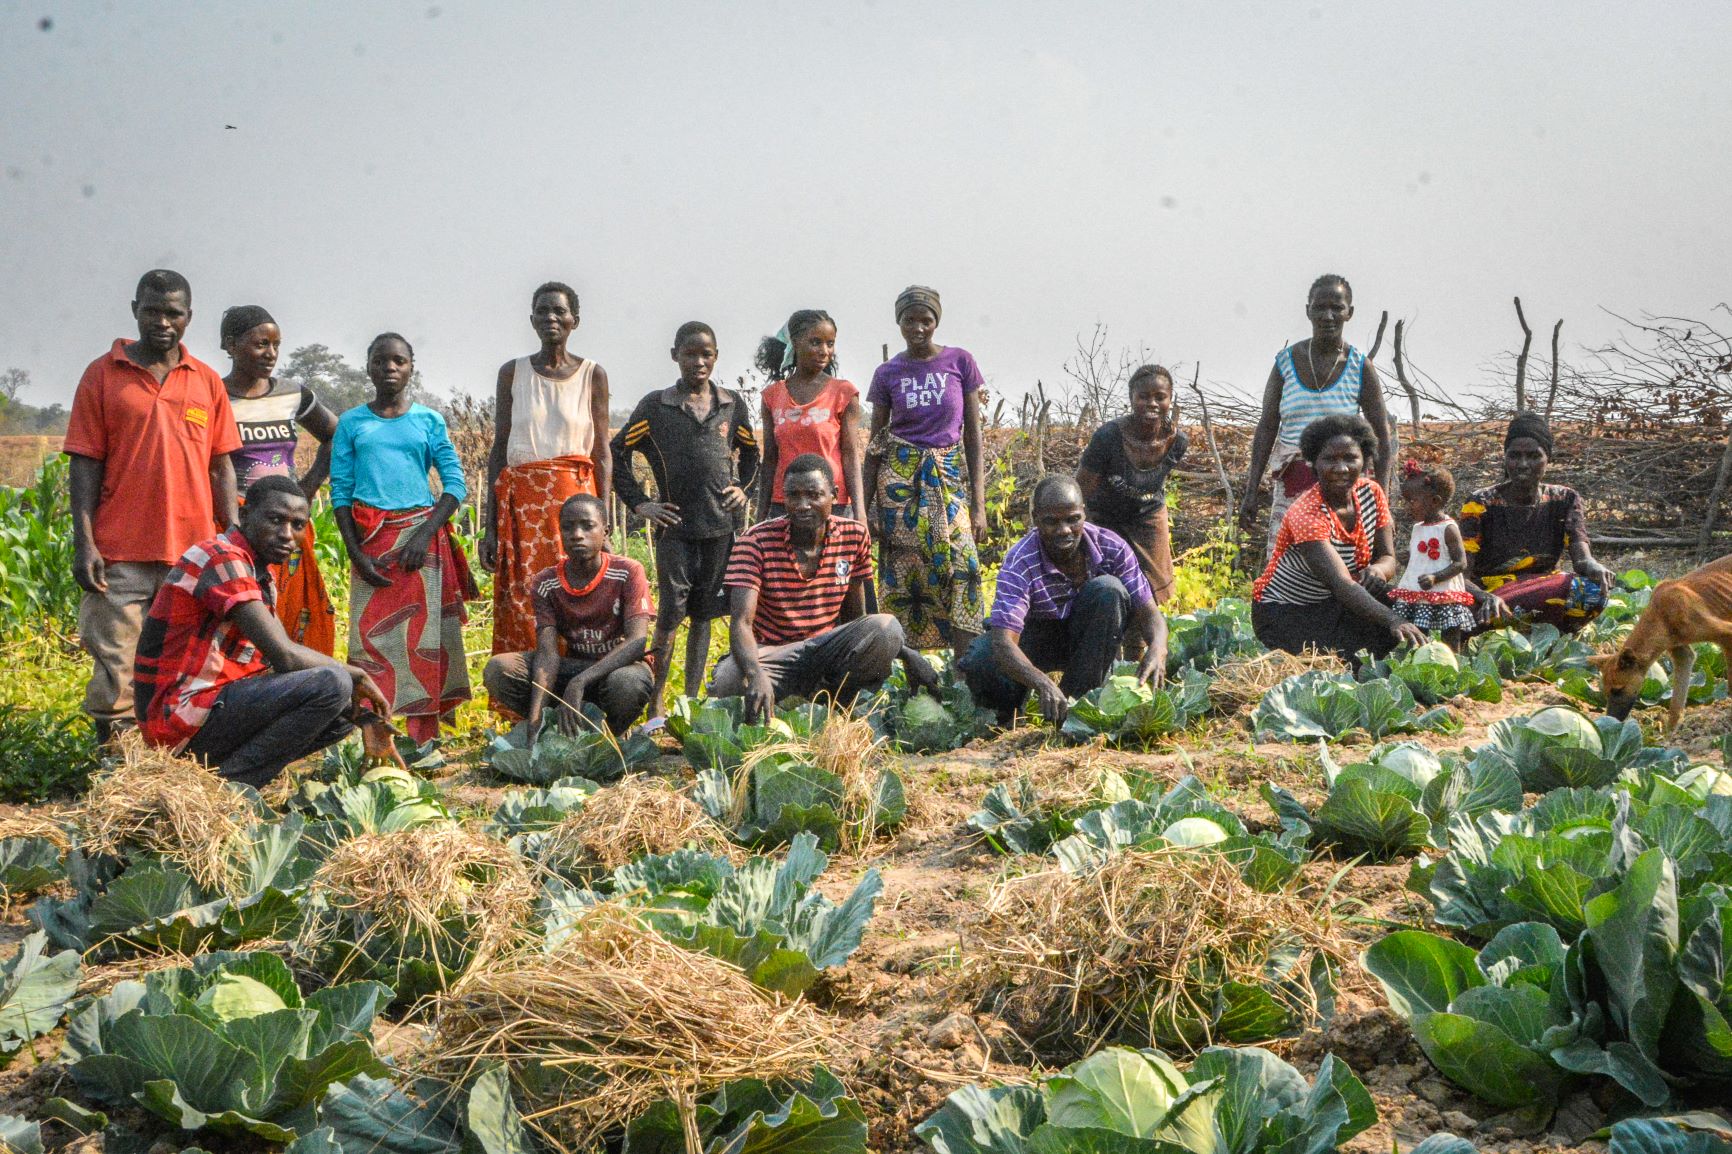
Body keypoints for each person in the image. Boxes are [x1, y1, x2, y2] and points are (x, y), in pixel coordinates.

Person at [65, 269, 241, 742]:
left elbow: (221, 467)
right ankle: (118, 760)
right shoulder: (102, 375)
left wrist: (233, 538)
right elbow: (84, 464)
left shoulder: (206, 381)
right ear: (134, 310)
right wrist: (85, 542)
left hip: (193, 553)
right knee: (116, 663)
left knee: (186, 661)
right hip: (119, 550)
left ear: (189, 317)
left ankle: (174, 753)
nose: (162, 321)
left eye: (173, 313)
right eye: (151, 311)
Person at [133, 476, 393, 789]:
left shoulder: (259, 574)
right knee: (335, 683)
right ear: (245, 515)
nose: (287, 535)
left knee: (344, 710)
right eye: (275, 520)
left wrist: (365, 719)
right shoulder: (221, 557)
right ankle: (231, 788)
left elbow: (273, 664)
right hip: (178, 718)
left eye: (298, 525)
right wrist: (357, 675)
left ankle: (224, 778)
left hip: (208, 711)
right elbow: (285, 655)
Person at [330, 333, 477, 742]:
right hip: (371, 542)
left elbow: (455, 484)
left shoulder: (428, 421)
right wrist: (355, 555)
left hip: (420, 545)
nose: (390, 368)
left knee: (422, 641)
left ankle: (422, 741)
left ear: (411, 367)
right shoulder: (352, 423)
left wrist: (424, 534)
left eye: (399, 361)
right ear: (368, 367)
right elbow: (341, 492)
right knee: (371, 642)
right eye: (381, 361)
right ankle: (376, 738)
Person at [611, 321, 759, 717]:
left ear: (716, 357)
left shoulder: (730, 404)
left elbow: (751, 453)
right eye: (690, 354)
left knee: (704, 616)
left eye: (706, 354)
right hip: (675, 531)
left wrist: (743, 488)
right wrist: (641, 504)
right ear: (675, 355)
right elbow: (617, 452)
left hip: (720, 529)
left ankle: (690, 701)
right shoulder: (656, 407)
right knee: (670, 617)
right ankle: (657, 702)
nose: (698, 361)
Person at [712, 454, 924, 721]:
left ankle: (836, 703)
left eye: (814, 495)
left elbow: (856, 618)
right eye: (794, 496)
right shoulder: (754, 542)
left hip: (825, 649)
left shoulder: (854, 536)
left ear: (834, 495)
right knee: (729, 680)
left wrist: (905, 653)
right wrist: (755, 674)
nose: (803, 505)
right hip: (773, 653)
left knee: (886, 628)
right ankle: (783, 699)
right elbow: (741, 623)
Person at [959, 475, 1167, 726]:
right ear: (1035, 519)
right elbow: (1004, 641)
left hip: (1090, 639)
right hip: (1036, 639)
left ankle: (1076, 709)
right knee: (981, 657)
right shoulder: (1020, 561)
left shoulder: (1112, 547)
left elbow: (1149, 612)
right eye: (1052, 522)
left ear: (1084, 513)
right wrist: (1042, 683)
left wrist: (1158, 647)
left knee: (1109, 590)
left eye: (1073, 519)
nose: (1064, 530)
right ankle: (1008, 718)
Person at [479, 282, 612, 657]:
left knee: (577, 591)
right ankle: (526, 685)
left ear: (575, 321)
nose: (551, 317)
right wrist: (490, 527)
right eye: (543, 311)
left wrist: (603, 521)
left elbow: (602, 453)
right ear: (532, 319)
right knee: (526, 596)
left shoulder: (592, 374)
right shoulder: (513, 373)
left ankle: (576, 683)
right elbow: (499, 449)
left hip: (577, 505)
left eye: (559, 311)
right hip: (523, 507)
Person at [861, 285, 987, 654]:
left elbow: (973, 437)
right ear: (898, 322)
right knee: (907, 576)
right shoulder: (887, 372)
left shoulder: (960, 362)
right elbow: (876, 444)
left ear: (936, 322)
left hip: (948, 478)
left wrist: (978, 506)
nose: (917, 328)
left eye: (925, 320)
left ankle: (965, 671)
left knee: (964, 569)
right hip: (899, 484)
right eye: (909, 320)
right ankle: (912, 671)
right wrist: (866, 510)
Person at [1251, 415, 1428, 662]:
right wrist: (1393, 620)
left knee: (1421, 614)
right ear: (1313, 463)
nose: (1341, 468)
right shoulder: (1307, 514)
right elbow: (1341, 584)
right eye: (1330, 459)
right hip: (1288, 611)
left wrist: (1378, 570)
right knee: (1342, 662)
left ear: (1364, 460)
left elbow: (1388, 557)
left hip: (1340, 601)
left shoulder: (1372, 493)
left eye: (1350, 458)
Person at [1239, 274, 1394, 559]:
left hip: (1343, 485)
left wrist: (1381, 500)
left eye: (1337, 308)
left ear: (1349, 312)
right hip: (1293, 484)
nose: (1328, 316)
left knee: (1344, 563)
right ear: (1308, 310)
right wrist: (1251, 491)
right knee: (1287, 563)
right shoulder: (1286, 363)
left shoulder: (1360, 367)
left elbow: (1382, 437)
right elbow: (1267, 427)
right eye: (1320, 307)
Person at [219, 305, 339, 654]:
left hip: (287, 522)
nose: (270, 353)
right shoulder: (214, 395)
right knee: (243, 607)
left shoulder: (291, 393)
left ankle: (301, 675)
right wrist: (231, 522)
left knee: (291, 607)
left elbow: (336, 435)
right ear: (231, 345)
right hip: (239, 518)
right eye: (260, 344)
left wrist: (308, 488)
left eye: (275, 345)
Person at [482, 494, 655, 736]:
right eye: (568, 527)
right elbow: (547, 654)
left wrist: (579, 682)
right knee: (500, 669)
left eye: (587, 526)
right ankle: (555, 727)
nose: (577, 535)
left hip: (618, 668)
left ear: (605, 532)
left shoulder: (627, 572)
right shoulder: (546, 582)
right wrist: (535, 723)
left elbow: (637, 641)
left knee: (628, 683)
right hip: (573, 668)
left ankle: (610, 734)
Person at [1459, 412, 1615, 634]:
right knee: (1459, 611)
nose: (1523, 464)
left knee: (1591, 591)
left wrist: (1595, 567)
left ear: (1547, 458)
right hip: (1493, 594)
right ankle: (1525, 629)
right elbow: (1461, 575)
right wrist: (1485, 596)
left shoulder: (1565, 499)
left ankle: (1550, 633)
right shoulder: (1480, 503)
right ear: (1505, 458)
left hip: (1544, 589)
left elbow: (1582, 559)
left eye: (1533, 456)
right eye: (1515, 456)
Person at [1076, 364, 1190, 605]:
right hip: (1105, 517)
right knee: (1109, 586)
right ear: (1131, 398)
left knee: (1153, 591)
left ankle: (1147, 631)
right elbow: (1081, 491)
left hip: (1148, 515)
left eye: (1160, 397)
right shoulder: (1108, 437)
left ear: (1170, 400)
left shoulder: (1177, 441)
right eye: (1143, 397)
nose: (1152, 403)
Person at [757, 310, 865, 524]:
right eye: (816, 342)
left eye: (830, 344)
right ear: (795, 343)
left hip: (831, 502)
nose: (824, 351)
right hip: (786, 502)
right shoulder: (772, 396)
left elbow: (851, 456)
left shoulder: (843, 393)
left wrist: (860, 513)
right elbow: (769, 459)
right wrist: (761, 515)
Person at [1388, 461, 1475, 647]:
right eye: (1405, 501)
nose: (1407, 507)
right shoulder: (1418, 527)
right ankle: (1418, 659)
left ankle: (1453, 660)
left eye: (1412, 501)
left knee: (1449, 634)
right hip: (1418, 590)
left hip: (1444, 592)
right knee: (1419, 631)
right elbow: (1423, 557)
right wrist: (1410, 558)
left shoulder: (1448, 528)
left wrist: (1436, 577)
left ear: (1435, 501)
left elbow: (1461, 563)